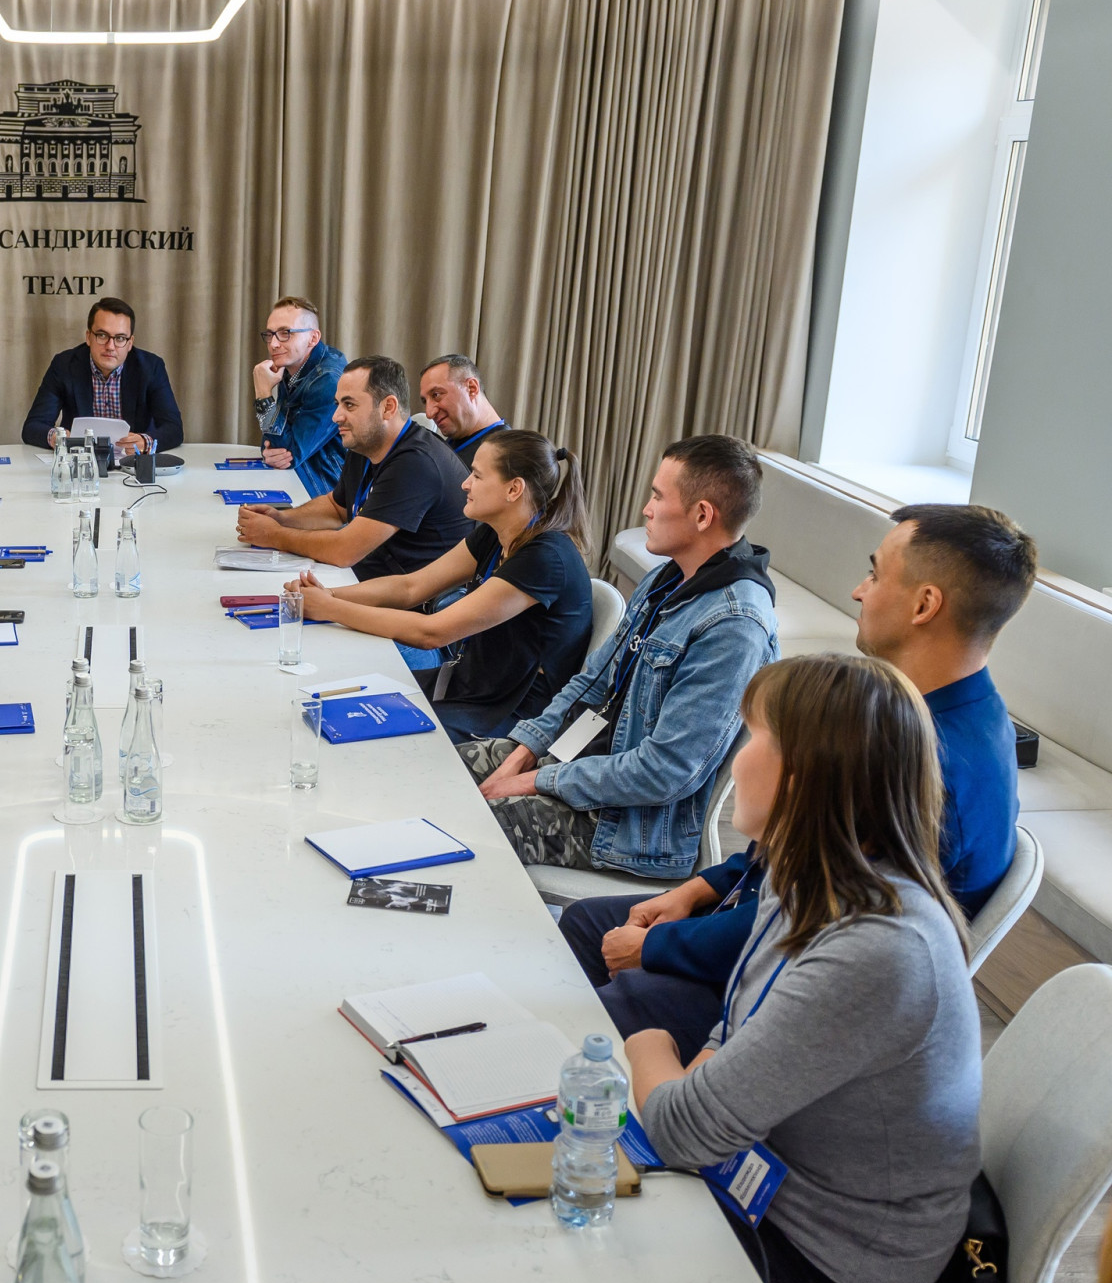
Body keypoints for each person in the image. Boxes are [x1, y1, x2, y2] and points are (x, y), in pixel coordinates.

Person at [560, 503, 1036, 1059]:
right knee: (586, 923)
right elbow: (794, 851)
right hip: (771, 915)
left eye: (875, 574)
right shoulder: (934, 714)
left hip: (802, 987)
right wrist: (697, 889)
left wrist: (657, 947)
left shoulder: (924, 762)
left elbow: (804, 921)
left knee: (604, 1004)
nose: (859, 591)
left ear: (925, 605)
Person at [633, 654, 981, 1283]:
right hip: (780, 1182)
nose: (737, 760)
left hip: (836, 1265)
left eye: (754, 736)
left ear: (804, 772)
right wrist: (693, 1078)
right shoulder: (806, 875)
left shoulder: (880, 951)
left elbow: (681, 1131)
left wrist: (646, 1047)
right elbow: (738, 1021)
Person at [463, 435, 778, 877]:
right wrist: (525, 751)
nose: (646, 509)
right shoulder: (667, 580)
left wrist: (535, 780)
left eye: (657, 497)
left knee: (467, 824)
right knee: (438, 767)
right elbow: (591, 682)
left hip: (623, 825)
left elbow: (665, 771)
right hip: (580, 764)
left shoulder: (734, 626)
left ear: (703, 515)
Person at [289, 430, 593, 743]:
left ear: (514, 489)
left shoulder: (545, 558)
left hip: (513, 715)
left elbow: (431, 633)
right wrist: (328, 595)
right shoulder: (497, 533)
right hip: (472, 685)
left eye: (477, 476)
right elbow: (411, 587)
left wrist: (330, 608)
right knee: (329, 696)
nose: (465, 484)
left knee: (357, 731)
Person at [234, 356, 472, 582]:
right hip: (372, 577)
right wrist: (282, 518)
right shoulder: (365, 444)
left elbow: (345, 551)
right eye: (337, 404)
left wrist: (274, 535)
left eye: (349, 405)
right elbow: (335, 508)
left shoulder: (416, 463)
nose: (336, 416)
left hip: (413, 601)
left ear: (388, 407)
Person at [20, 297, 184, 455]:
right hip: (80, 462)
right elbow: (33, 426)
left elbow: (173, 428)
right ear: (88, 337)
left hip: (132, 462)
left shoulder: (151, 367)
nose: (110, 346)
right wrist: (56, 437)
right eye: (102, 335)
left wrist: (145, 441)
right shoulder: (64, 365)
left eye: (120, 338)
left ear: (130, 343)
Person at [251, 297, 348, 496]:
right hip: (298, 478)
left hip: (327, 491)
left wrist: (263, 396)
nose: (274, 344)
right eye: (270, 334)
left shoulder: (328, 380)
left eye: (285, 333)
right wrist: (271, 450)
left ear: (313, 338)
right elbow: (274, 441)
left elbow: (289, 454)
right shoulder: (292, 366)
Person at [417, 354, 508, 464]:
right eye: (425, 401)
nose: (429, 413)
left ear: (471, 388)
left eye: (436, 395)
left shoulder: (504, 458)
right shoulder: (452, 442)